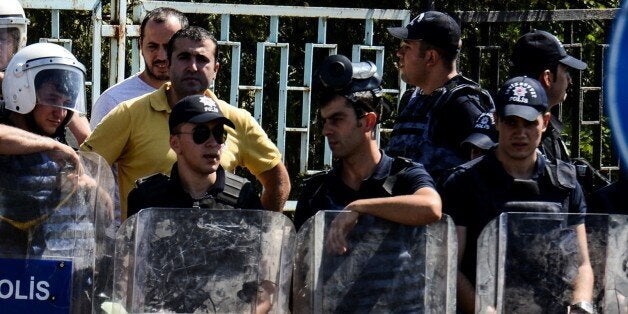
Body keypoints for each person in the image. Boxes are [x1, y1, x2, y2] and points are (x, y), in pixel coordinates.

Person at [82, 26, 290, 220]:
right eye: (184, 57)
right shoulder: (129, 113)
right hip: (151, 252)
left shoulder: (237, 120)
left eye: (202, 59)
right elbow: (83, 170)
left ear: (215, 69)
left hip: (219, 254)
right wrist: (106, 221)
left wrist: (260, 235)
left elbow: (277, 179)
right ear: (169, 64)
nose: (192, 67)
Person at [442, 76, 594, 313]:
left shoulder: (565, 184)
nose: (520, 133)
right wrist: (483, 310)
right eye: (511, 122)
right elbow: (451, 266)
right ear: (496, 122)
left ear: (544, 122)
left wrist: (581, 306)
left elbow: (582, 264)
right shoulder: (464, 182)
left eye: (529, 123)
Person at [294, 54, 442, 243]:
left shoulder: (404, 176)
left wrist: (360, 207)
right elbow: (299, 262)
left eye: (337, 120)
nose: (326, 130)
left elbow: (431, 207)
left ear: (368, 122)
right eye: (324, 121)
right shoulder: (317, 191)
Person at [385, 10, 494, 182]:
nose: (399, 53)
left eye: (407, 47)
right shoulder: (411, 99)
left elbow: (485, 175)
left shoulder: (463, 105)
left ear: (431, 57)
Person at [510, 29, 609, 199]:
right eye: (566, 71)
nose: (570, 80)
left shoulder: (549, 131)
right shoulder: (504, 136)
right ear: (547, 78)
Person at [127, 95, 262, 216]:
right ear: (175, 143)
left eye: (219, 133)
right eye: (201, 134)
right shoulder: (147, 199)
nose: (213, 143)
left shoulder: (243, 197)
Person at [0, 0, 91, 146]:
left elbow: (88, 142)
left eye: (3, 38)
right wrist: (52, 146)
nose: (60, 113)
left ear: (18, 40)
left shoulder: (33, 71)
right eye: (52, 99)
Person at [89, 7, 188, 129]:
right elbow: (96, 148)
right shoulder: (113, 101)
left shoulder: (200, 97)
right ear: (141, 45)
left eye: (169, 47)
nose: (162, 56)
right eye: (153, 46)